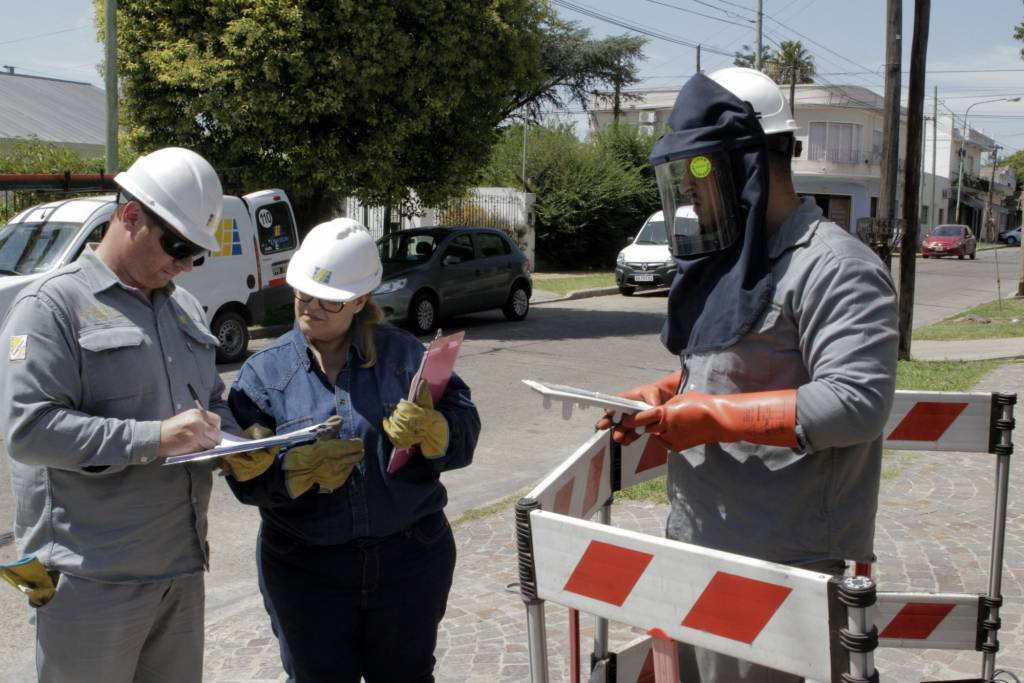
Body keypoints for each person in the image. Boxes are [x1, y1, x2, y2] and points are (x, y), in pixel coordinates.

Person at [598, 67, 899, 682]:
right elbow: (728, 370)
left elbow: (856, 402)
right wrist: (670, 392)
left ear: (747, 166)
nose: (688, 192)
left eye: (698, 172)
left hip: (788, 559)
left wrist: (712, 417)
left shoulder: (836, 267)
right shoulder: (734, 263)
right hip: (705, 538)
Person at [0, 146, 283, 682]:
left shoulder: (182, 308)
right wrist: (153, 437)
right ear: (130, 216)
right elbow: (28, 431)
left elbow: (209, 401)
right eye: (177, 245)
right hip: (91, 580)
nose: (185, 264)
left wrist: (236, 441)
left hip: (179, 567)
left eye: (197, 252)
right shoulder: (50, 307)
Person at [224, 217, 481, 683]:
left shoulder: (406, 357)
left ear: (360, 301)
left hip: (409, 560)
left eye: (329, 301)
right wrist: (286, 473)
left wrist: (437, 431)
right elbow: (243, 481)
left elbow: (466, 431)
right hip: (305, 569)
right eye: (303, 295)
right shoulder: (262, 376)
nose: (311, 308)